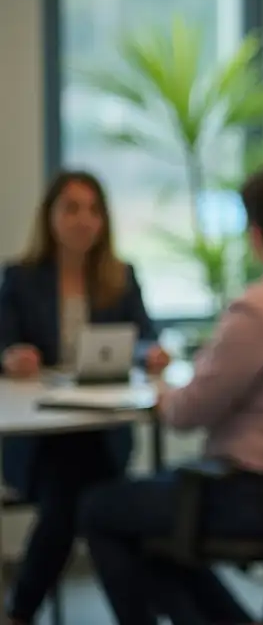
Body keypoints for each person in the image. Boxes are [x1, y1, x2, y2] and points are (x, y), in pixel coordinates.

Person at [79, 162, 263, 625]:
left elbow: (188, 412)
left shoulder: (261, 308)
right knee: (154, 537)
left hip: (247, 491)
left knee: (99, 509)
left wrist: (163, 391)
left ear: (257, 232)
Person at [0, 170, 169, 625]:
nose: (83, 220)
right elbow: (4, 344)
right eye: (71, 208)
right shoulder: (20, 278)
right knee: (75, 497)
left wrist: (149, 352)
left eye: (93, 209)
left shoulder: (120, 276)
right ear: (50, 216)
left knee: (75, 496)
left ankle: (19, 610)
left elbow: (143, 336)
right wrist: (12, 356)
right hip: (36, 442)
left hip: (101, 432)